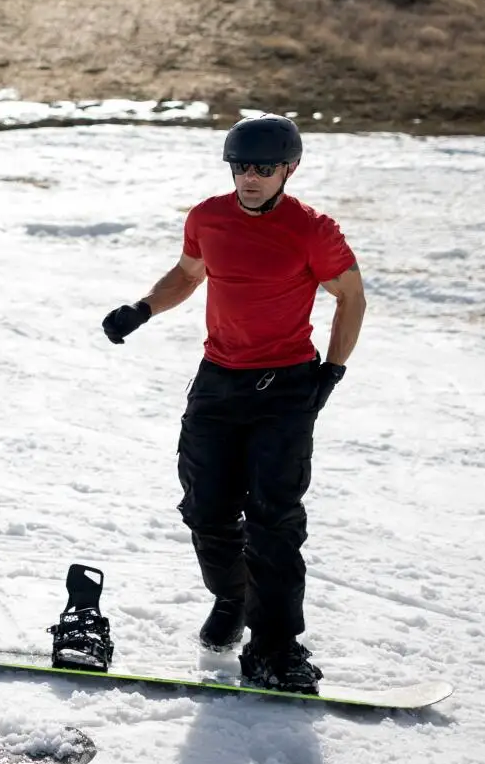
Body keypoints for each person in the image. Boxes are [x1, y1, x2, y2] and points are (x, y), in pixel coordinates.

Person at [98, 116, 365, 694]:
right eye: (241, 165)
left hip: (287, 385)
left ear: (288, 169)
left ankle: (276, 645)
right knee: (206, 507)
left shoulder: (313, 229)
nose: (250, 177)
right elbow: (190, 273)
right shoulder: (207, 217)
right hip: (219, 380)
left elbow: (351, 296)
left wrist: (332, 373)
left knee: (275, 517)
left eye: (263, 168)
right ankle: (231, 597)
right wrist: (142, 310)